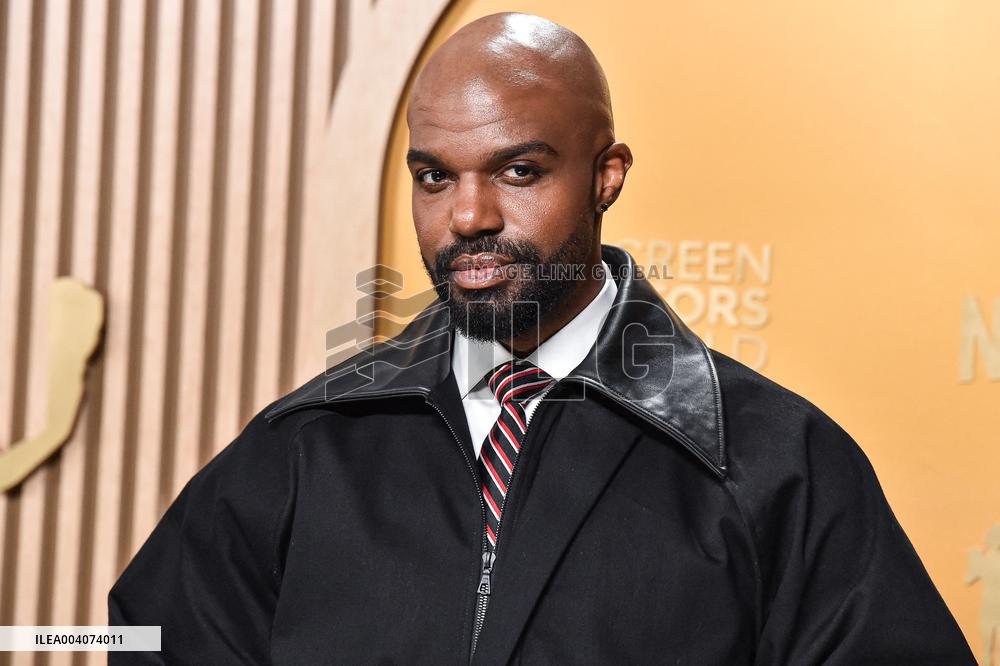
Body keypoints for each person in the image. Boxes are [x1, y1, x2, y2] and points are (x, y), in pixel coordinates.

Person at [109, 12, 976, 664]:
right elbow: (151, 638)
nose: (469, 216)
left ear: (607, 176)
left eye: (519, 171)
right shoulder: (303, 450)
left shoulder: (778, 465)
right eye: (433, 177)